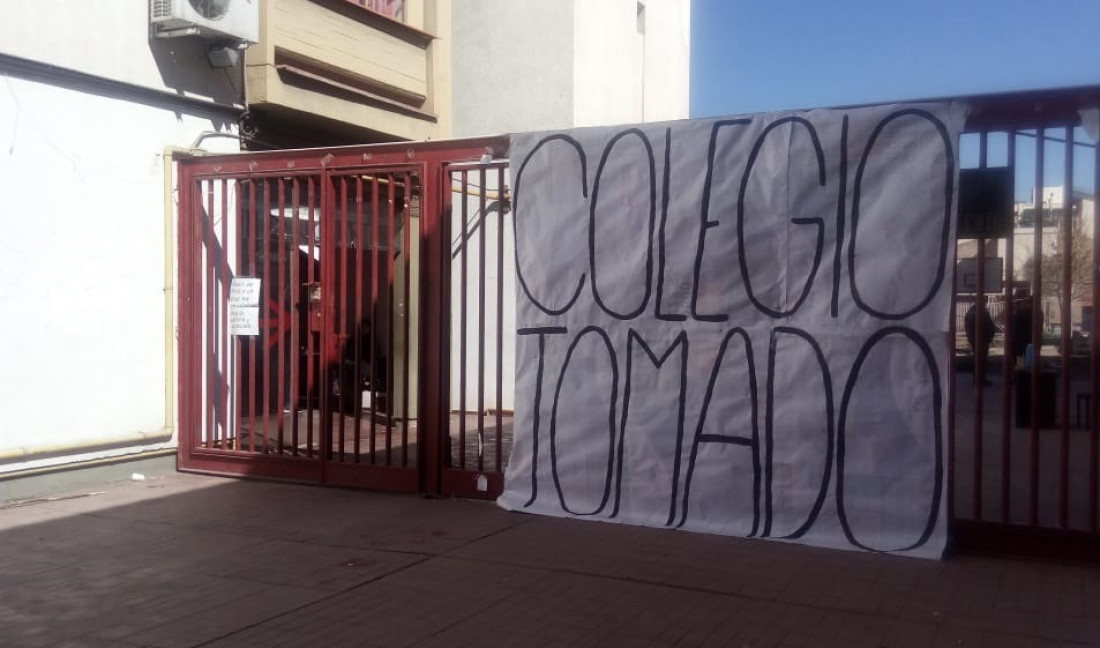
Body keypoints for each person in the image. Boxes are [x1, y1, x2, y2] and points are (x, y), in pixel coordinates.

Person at [965, 301, 995, 385]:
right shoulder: (983, 312)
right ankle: (981, 379)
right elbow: (988, 325)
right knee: (982, 359)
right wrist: (990, 335)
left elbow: (967, 327)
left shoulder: (970, 313)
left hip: (975, 339)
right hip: (983, 339)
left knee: (977, 359)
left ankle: (977, 379)